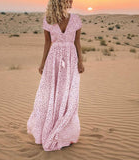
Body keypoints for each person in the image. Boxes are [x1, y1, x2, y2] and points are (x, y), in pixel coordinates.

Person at [27, 0, 85, 151]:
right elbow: (47, 43)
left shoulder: (76, 19)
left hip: (70, 60)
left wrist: (80, 61)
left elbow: (77, 42)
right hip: (53, 62)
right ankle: (50, 127)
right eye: (68, 1)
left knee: (67, 94)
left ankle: (65, 130)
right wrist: (42, 63)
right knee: (52, 93)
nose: (71, 2)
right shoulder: (48, 20)